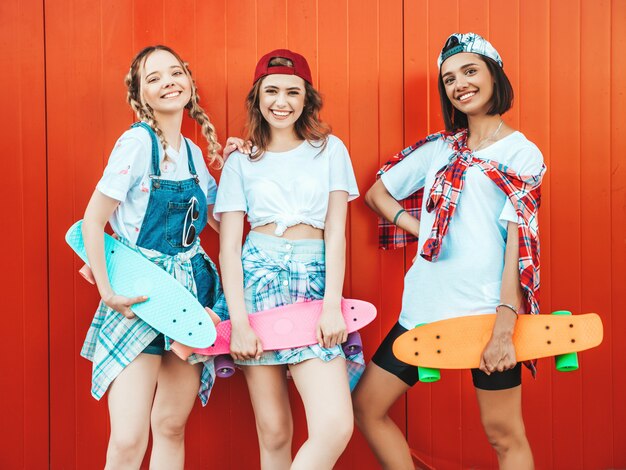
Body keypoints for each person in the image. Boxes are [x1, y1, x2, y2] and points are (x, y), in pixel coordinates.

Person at [353, 32, 545, 470]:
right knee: (366, 407)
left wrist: (503, 329)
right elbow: (377, 194)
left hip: (484, 313)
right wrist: (422, 228)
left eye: (470, 71)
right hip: (423, 309)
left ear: (494, 75)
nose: (459, 84)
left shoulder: (522, 154)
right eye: (449, 78)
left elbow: (520, 245)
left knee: (504, 436)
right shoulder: (440, 148)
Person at [213, 49, 364, 470]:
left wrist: (332, 304)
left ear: (307, 98)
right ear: (257, 97)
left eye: (292, 92)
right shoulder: (241, 160)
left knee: (334, 424)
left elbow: (336, 233)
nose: (282, 101)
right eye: (272, 91)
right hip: (257, 280)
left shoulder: (329, 150)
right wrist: (239, 323)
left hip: (314, 283)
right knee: (274, 429)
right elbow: (229, 247)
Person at [80, 45, 230, 470]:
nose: (168, 82)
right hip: (140, 297)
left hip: (188, 295)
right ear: (141, 95)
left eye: (175, 72)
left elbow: (221, 220)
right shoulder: (135, 143)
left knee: (170, 425)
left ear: (188, 81)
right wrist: (108, 292)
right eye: (154, 78)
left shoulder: (194, 154)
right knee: (128, 439)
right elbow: (92, 222)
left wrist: (241, 166)